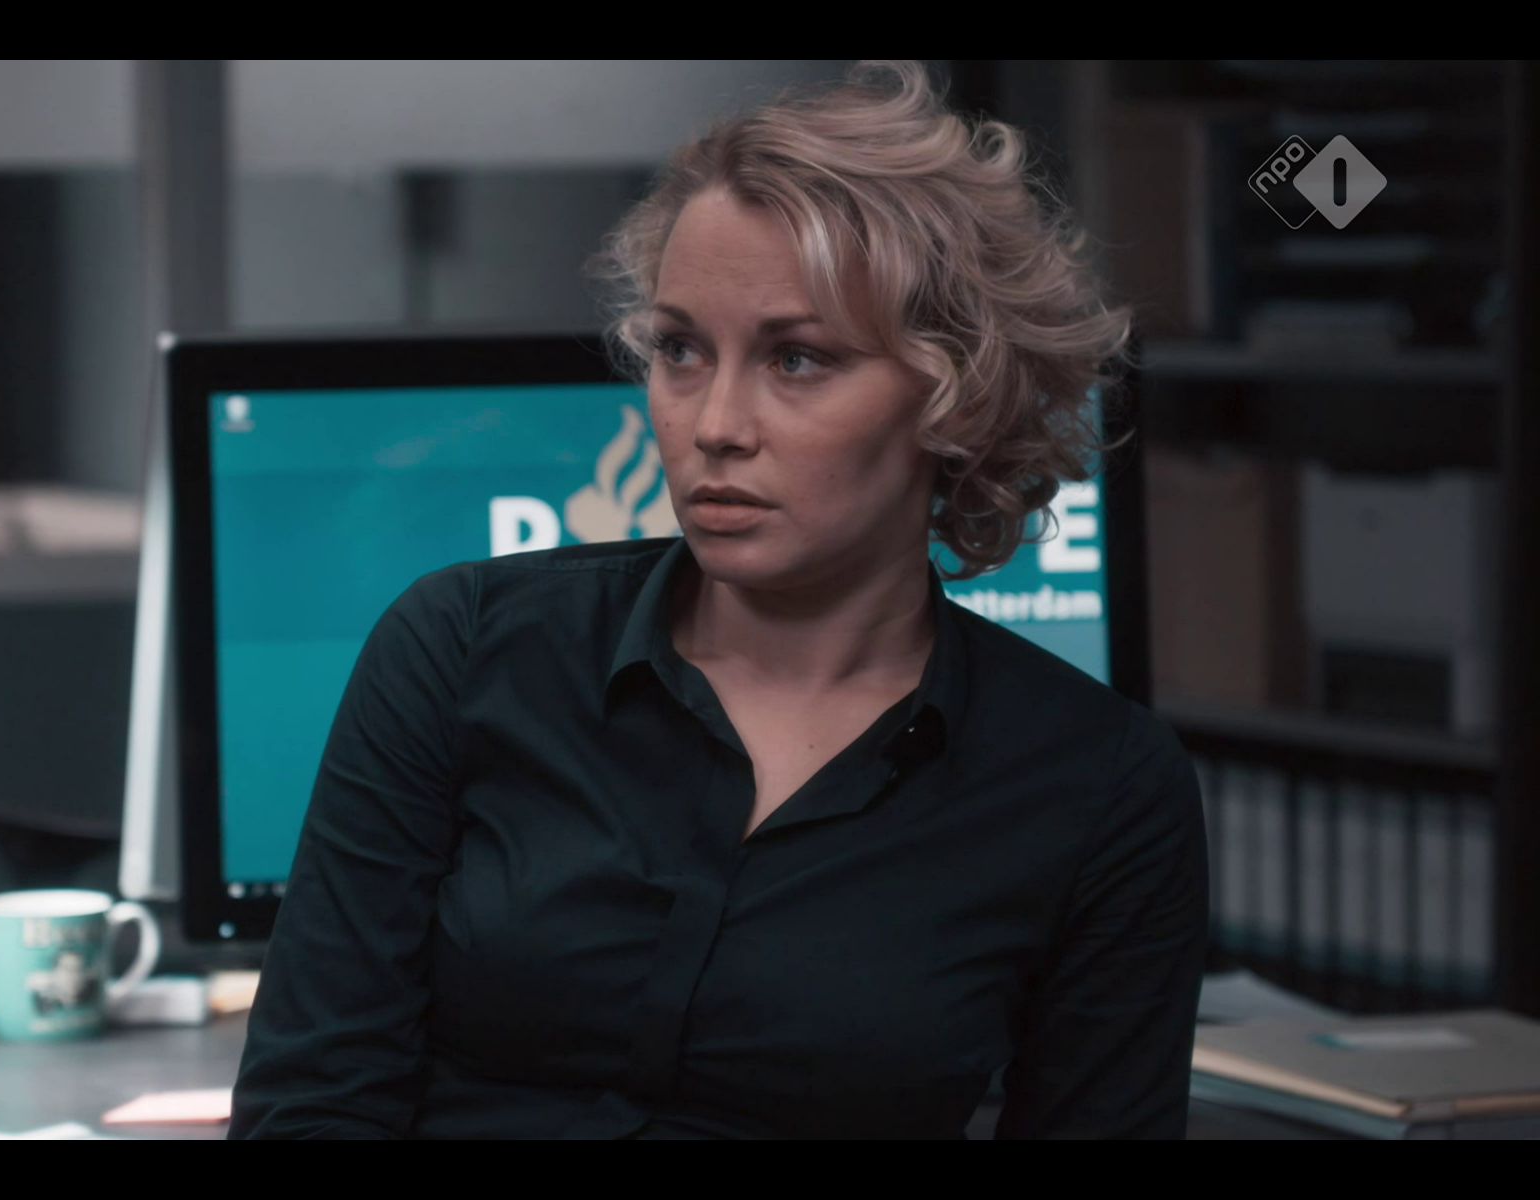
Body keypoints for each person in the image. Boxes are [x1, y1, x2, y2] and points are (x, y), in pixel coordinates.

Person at [230, 59, 1209, 1139]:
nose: (714, 425)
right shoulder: (463, 646)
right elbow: (313, 1099)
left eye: (798, 360)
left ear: (957, 397)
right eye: (681, 351)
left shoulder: (1099, 786)